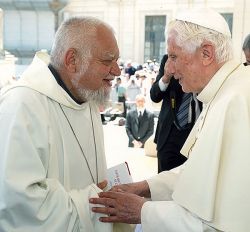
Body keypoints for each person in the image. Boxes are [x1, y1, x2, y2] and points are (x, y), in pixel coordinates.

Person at [89, 7, 250, 232]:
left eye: (174, 56)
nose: (170, 69)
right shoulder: (225, 92)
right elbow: (197, 172)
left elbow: (220, 225)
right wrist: (144, 187)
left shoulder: (236, 101)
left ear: (206, 53)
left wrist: (142, 211)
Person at [0, 16, 123, 232]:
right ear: (72, 60)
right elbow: (19, 205)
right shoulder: (22, 105)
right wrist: (96, 201)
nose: (117, 71)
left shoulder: (88, 97)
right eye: (107, 61)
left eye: (117, 61)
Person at [150, 54, 201, 172]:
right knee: (163, 184)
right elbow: (155, 96)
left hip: (195, 134)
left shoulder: (203, 60)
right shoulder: (168, 59)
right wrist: (166, 76)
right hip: (169, 133)